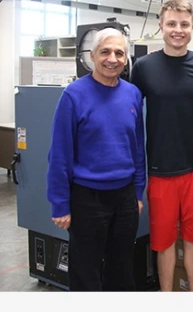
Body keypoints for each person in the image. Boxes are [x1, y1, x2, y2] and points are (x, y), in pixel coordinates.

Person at [47, 27, 146, 291]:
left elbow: (137, 149)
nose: (112, 58)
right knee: (85, 272)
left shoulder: (133, 94)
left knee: (121, 270)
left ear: (126, 59)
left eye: (119, 53)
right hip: (87, 199)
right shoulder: (73, 95)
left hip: (124, 198)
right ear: (92, 56)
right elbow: (59, 153)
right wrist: (60, 204)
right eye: (105, 52)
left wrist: (137, 193)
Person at [130, 0, 193, 292]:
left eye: (184, 24)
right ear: (160, 26)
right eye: (171, 24)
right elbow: (126, 109)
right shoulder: (143, 67)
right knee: (163, 242)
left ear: (192, 27)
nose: (177, 30)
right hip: (159, 170)